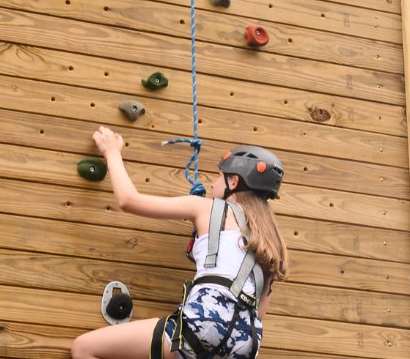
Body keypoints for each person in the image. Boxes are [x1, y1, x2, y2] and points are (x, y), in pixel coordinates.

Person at [72, 127, 289, 359]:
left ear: (233, 181)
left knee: (84, 348)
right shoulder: (271, 240)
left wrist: (112, 152)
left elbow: (128, 200)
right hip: (246, 341)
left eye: (219, 175)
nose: (214, 182)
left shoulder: (205, 207)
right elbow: (260, 311)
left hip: (205, 321)